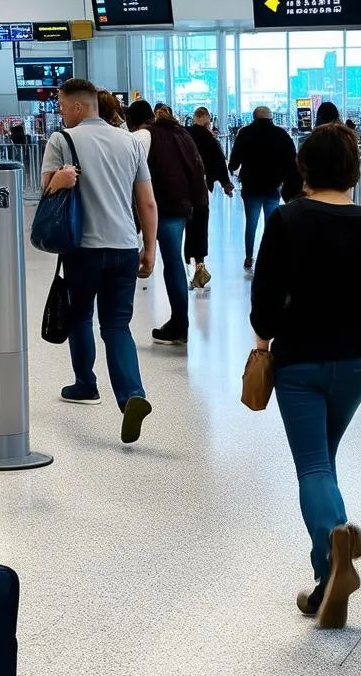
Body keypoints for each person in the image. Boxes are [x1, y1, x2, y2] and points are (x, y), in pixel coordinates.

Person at [250, 123, 361, 630]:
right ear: (354, 169)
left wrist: (263, 341)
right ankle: (324, 586)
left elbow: (265, 300)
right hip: (355, 364)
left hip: (300, 364)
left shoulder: (288, 220)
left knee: (313, 466)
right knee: (326, 460)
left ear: (304, 168)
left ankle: (335, 545)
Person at [41, 78, 158, 445]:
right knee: (117, 326)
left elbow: (45, 192)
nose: (59, 110)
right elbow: (147, 202)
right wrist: (149, 248)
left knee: (80, 316)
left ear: (78, 107)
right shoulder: (130, 141)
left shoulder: (63, 140)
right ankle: (132, 396)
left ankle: (85, 384)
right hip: (124, 247)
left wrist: (60, 180)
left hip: (83, 248)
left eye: (61, 104)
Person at [125, 100, 207, 347]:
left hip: (164, 206)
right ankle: (179, 322)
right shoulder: (178, 130)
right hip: (185, 203)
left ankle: (179, 324)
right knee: (173, 264)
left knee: (171, 264)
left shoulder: (143, 135)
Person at [228, 107, 302, 274]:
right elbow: (292, 161)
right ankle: (271, 257)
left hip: (251, 187)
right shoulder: (281, 135)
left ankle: (249, 257)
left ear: (254, 117)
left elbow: (234, 161)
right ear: (271, 117)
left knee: (251, 223)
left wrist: (232, 168)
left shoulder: (245, 133)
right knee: (272, 224)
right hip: (273, 187)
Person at [185, 106, 234, 290]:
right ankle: (199, 264)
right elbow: (219, 161)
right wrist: (226, 184)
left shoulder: (184, 135)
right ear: (207, 121)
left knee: (183, 226)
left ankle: (185, 264)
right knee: (199, 224)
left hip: (182, 188)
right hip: (200, 188)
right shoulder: (209, 138)